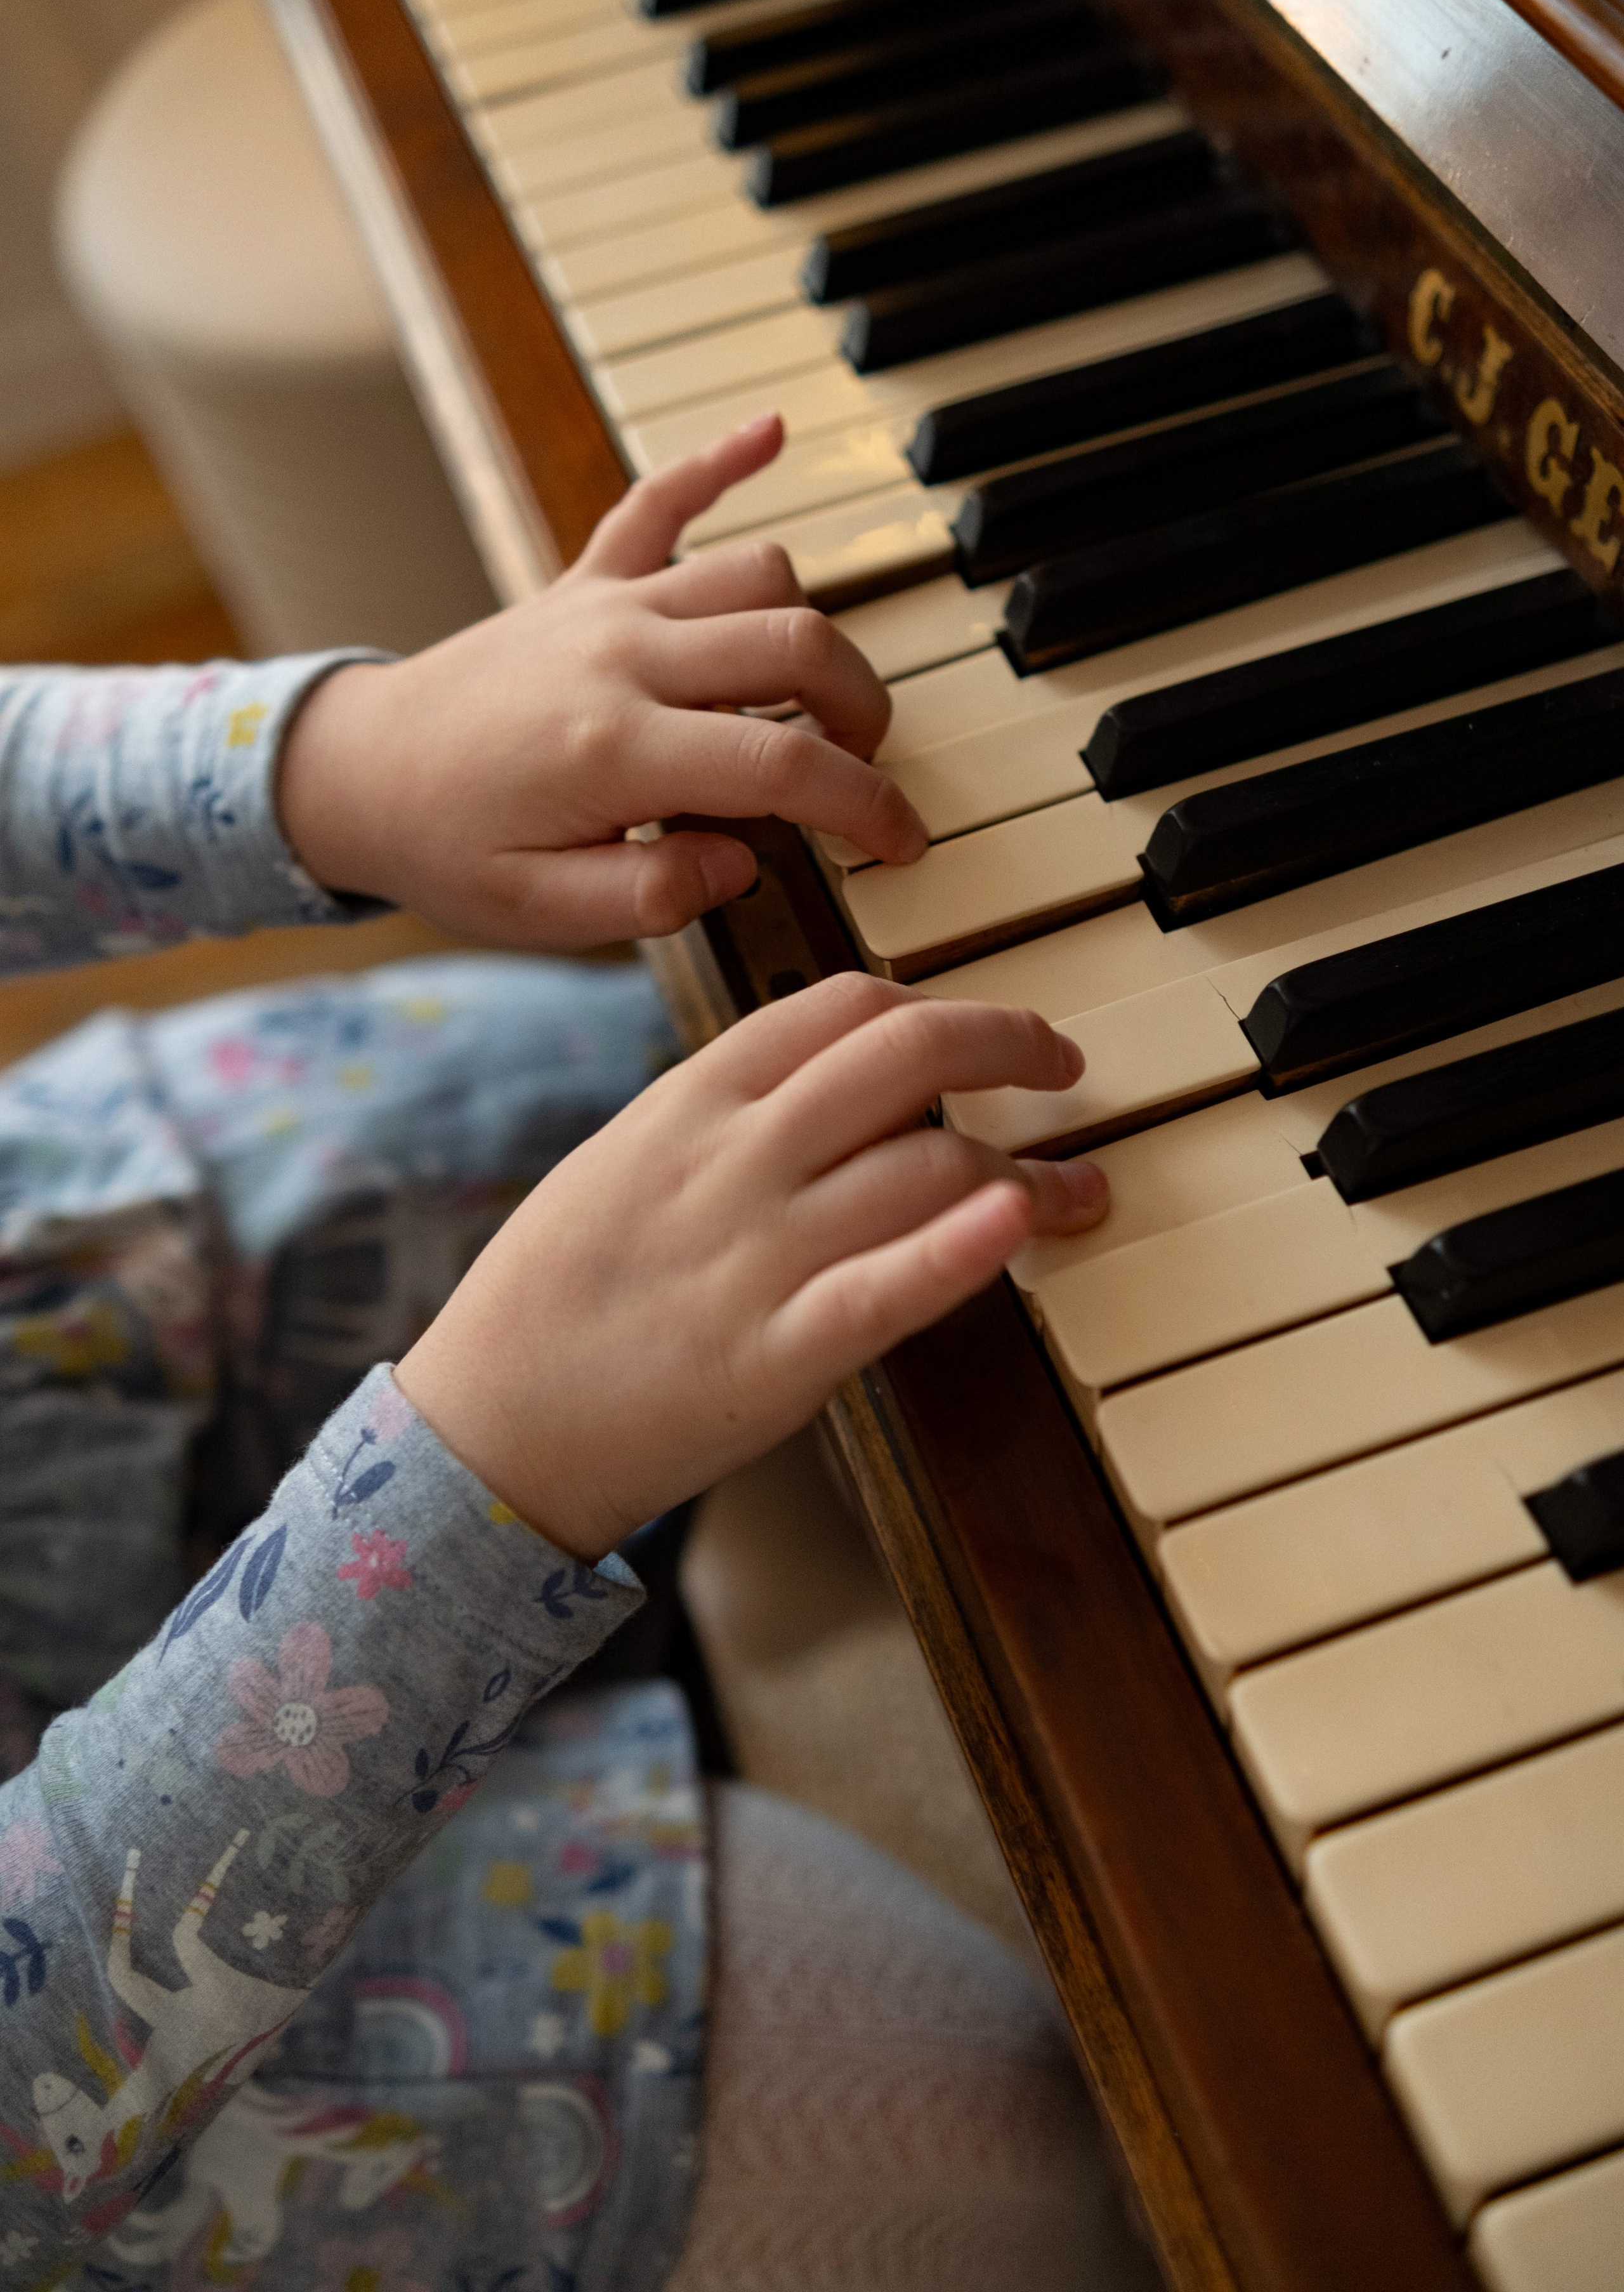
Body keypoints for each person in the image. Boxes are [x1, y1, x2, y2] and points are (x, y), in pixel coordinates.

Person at [0, 418, 1144, 2289]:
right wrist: (477, 1479)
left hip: (66, 1299)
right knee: (975, 2125)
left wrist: (334, 762)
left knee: (797, 1053)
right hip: (95, 2097)